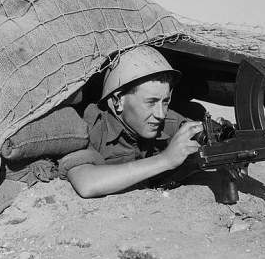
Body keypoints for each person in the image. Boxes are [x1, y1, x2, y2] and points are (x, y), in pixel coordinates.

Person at [58, 45, 204, 198]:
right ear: (118, 100)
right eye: (151, 102)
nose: (161, 114)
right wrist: (165, 159)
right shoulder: (89, 128)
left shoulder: (167, 121)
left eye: (165, 102)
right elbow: (86, 184)